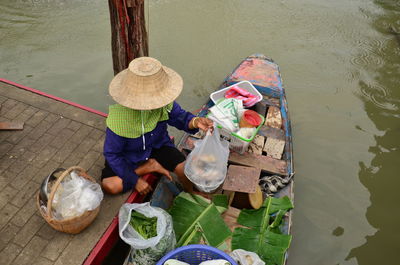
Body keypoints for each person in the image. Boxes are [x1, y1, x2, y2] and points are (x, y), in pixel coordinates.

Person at [101, 57, 213, 195]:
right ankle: (147, 167)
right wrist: (135, 180)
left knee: (184, 170)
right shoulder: (119, 119)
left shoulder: (165, 105)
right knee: (110, 186)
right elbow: (112, 154)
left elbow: (182, 118)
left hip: (157, 146)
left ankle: (191, 194)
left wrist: (196, 122)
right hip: (129, 155)